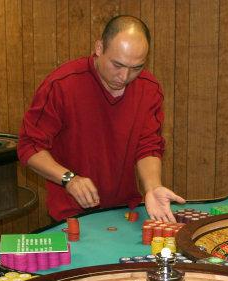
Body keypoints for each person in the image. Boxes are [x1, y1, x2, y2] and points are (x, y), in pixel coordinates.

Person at [17, 15, 185, 222]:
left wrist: (153, 187)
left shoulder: (149, 88)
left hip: (125, 211)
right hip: (71, 214)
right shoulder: (61, 85)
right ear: (99, 48)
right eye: (117, 65)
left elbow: (148, 146)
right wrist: (69, 179)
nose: (124, 77)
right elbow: (29, 146)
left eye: (136, 68)